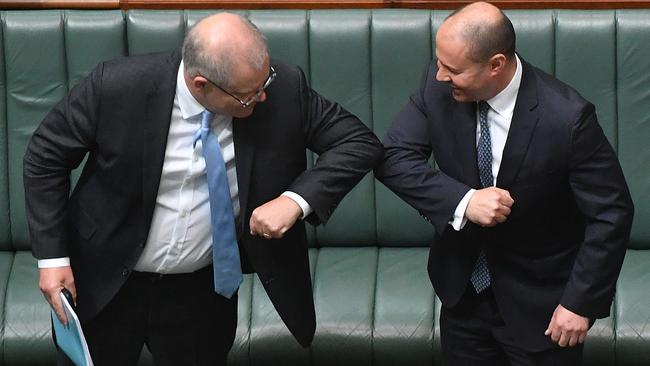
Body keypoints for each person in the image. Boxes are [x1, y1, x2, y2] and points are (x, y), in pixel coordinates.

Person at [24, 12, 382, 366]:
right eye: (247, 95)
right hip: (104, 279)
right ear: (201, 84)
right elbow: (45, 156)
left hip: (200, 294)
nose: (261, 99)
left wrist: (294, 201)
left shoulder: (282, 89)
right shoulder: (116, 86)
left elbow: (358, 142)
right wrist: (53, 258)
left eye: (264, 82)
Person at [375, 2, 634, 364]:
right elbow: (392, 158)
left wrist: (580, 303)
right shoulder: (438, 88)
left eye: (453, 69)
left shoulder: (567, 118)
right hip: (462, 297)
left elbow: (612, 212)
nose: (439, 76)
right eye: (438, 63)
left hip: (543, 307)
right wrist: (464, 201)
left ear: (495, 64)